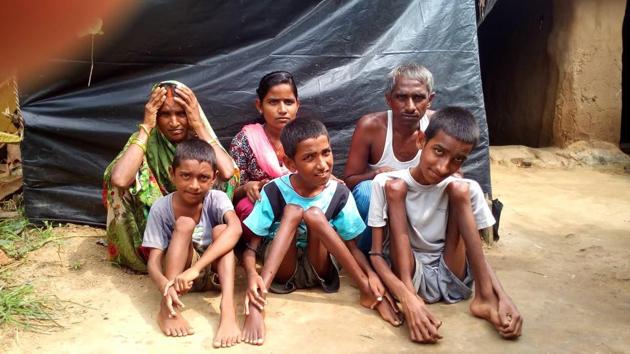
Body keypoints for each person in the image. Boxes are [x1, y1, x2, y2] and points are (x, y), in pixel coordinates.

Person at [240, 118, 402, 345]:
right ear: (289, 162)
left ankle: (367, 291)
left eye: (326, 153)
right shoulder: (274, 190)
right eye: (309, 157)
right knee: (293, 212)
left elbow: (352, 246)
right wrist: (252, 277)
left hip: (319, 267)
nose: (323, 164)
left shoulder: (339, 193)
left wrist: (370, 274)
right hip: (281, 270)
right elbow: (251, 248)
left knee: (314, 214)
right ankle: (258, 303)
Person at [368, 107, 523, 344]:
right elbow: (376, 255)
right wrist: (407, 299)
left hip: (453, 274)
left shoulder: (466, 187)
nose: (443, 167)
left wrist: (501, 295)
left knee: (460, 189)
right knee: (396, 189)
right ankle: (412, 294)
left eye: (457, 159)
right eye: (438, 151)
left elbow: (476, 253)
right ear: (421, 140)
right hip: (409, 271)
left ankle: (484, 298)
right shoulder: (384, 182)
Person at [103, 81, 239, 272]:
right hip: (159, 222)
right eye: (165, 114)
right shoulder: (147, 140)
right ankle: (151, 253)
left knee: (228, 174)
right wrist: (147, 127)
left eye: (181, 113)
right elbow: (120, 180)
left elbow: (227, 173)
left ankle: (209, 247)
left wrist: (198, 125)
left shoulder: (200, 138)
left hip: (202, 223)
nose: (174, 123)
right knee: (119, 177)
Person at [142, 139, 242, 347]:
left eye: (203, 178)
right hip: (180, 281)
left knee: (223, 229)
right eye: (185, 176)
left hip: (214, 274)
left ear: (214, 178)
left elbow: (236, 228)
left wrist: (196, 269)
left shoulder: (217, 198)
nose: (194, 185)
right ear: (172, 173)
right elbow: (153, 262)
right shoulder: (161, 208)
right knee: (184, 224)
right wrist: (164, 286)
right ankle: (167, 308)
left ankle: (228, 310)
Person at [343, 63, 436, 254]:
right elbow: (350, 182)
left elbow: (454, 175)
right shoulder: (371, 126)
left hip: (421, 204)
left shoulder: (436, 125)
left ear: (430, 100)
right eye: (401, 97)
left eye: (418, 98)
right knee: (367, 192)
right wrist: (377, 174)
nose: (410, 107)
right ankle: (371, 255)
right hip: (381, 206)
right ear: (388, 100)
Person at [229, 71, 297, 225]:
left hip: (301, 203)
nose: (282, 110)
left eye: (288, 102)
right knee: (245, 207)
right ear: (260, 106)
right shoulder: (244, 141)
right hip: (262, 208)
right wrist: (248, 187)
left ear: (297, 105)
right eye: (273, 102)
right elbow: (229, 194)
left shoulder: (307, 137)